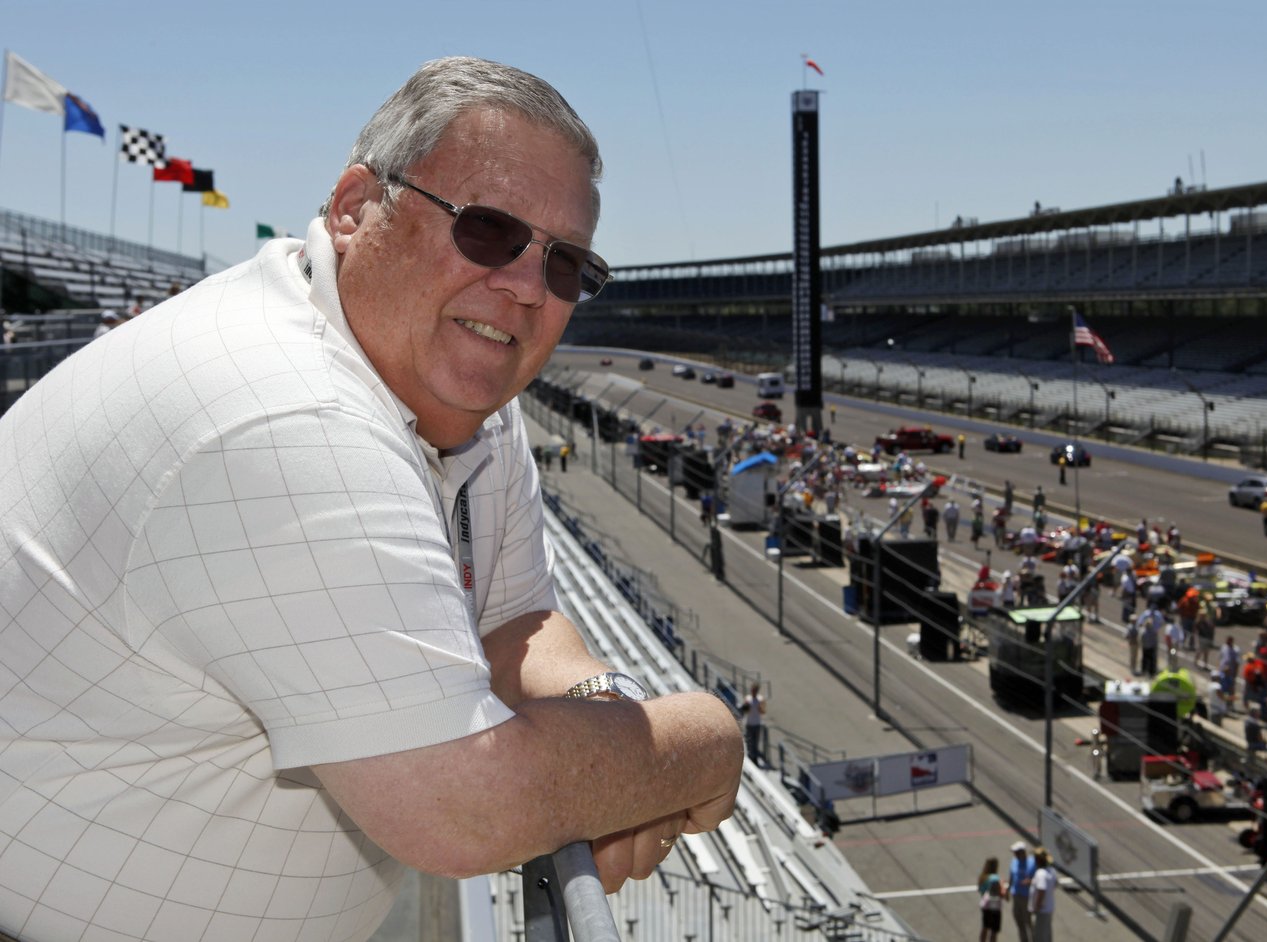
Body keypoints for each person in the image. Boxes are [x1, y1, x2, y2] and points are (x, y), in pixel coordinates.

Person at [0, 57, 744, 941]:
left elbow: (517, 622)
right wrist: (700, 741)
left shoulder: (451, 389)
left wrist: (610, 714)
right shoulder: (289, 416)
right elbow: (466, 806)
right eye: (489, 230)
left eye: (567, 265)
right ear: (356, 209)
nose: (525, 285)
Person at [1006, 841, 1037, 942]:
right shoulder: (1014, 861)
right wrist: (1007, 889)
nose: (1014, 854)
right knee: (1019, 920)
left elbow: (1040, 878)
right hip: (1016, 896)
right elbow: (1011, 876)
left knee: (1028, 922)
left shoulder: (1032, 863)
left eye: (1016, 852)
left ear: (1022, 852)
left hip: (1026, 897)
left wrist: (1031, 881)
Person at [1029, 846, 1057, 942]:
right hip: (1048, 909)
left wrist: (1036, 907)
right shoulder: (1052, 871)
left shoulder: (1040, 873)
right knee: (1047, 936)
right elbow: (1054, 885)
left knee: (1039, 937)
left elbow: (1041, 890)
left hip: (1041, 911)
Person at [977, 855, 1003, 942]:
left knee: (985, 927)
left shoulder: (982, 877)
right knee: (994, 930)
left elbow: (980, 890)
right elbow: (999, 893)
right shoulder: (995, 878)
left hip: (985, 906)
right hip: (994, 906)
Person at [741, 682, 767, 765]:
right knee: (749, 741)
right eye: (752, 690)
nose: (753, 692)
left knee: (755, 742)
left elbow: (763, 711)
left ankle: (754, 758)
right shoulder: (748, 698)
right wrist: (746, 706)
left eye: (754, 690)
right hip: (749, 723)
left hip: (757, 723)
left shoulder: (760, 699)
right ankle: (750, 756)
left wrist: (759, 706)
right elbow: (745, 710)